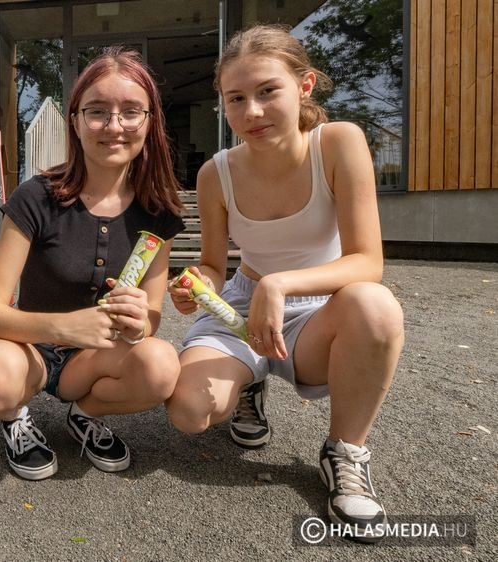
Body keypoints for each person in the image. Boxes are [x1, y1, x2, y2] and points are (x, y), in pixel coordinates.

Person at [166, 24, 404, 541]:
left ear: (304, 85)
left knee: (376, 306)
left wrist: (281, 285)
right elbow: (212, 263)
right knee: (188, 410)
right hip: (241, 306)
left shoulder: (338, 143)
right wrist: (195, 286)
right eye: (236, 99)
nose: (251, 112)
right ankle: (250, 381)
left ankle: (344, 451)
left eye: (267, 91)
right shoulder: (216, 173)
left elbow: (368, 261)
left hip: (320, 309)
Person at [0, 46, 185, 481]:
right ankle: (14, 418)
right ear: (76, 120)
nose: (114, 126)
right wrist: (65, 328)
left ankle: (83, 414)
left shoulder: (158, 213)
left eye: (131, 112)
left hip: (96, 359)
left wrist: (139, 322)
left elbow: (152, 320)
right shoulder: (36, 197)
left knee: (161, 366)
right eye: (98, 111)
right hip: (27, 350)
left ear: (150, 121)